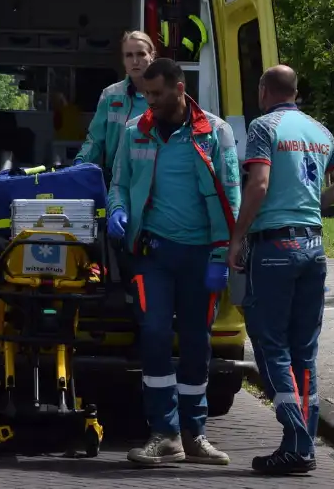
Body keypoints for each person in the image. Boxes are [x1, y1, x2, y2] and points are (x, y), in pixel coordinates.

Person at [226, 65, 334, 475]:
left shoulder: (265, 127)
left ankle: (298, 441)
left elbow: (259, 184)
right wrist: (309, 205)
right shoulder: (320, 131)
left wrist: (238, 235)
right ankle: (300, 444)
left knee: (270, 345)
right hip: (313, 246)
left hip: (275, 248)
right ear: (296, 91)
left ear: (264, 91)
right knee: (305, 351)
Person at [107, 57, 241, 466]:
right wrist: (117, 210)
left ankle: (195, 434)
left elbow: (231, 195)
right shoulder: (136, 133)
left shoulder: (215, 133)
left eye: (157, 94)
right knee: (154, 335)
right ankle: (164, 433)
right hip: (154, 255)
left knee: (198, 341)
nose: (150, 101)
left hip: (202, 257)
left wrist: (224, 253)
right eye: (146, 94)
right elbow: (119, 183)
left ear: (180, 89)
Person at [73, 30, 154, 177]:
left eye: (141, 54)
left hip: (155, 180)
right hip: (116, 180)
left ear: (152, 56)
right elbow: (95, 140)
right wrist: (80, 163)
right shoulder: (110, 96)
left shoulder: (164, 96)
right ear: (123, 60)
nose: (135, 61)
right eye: (129, 55)